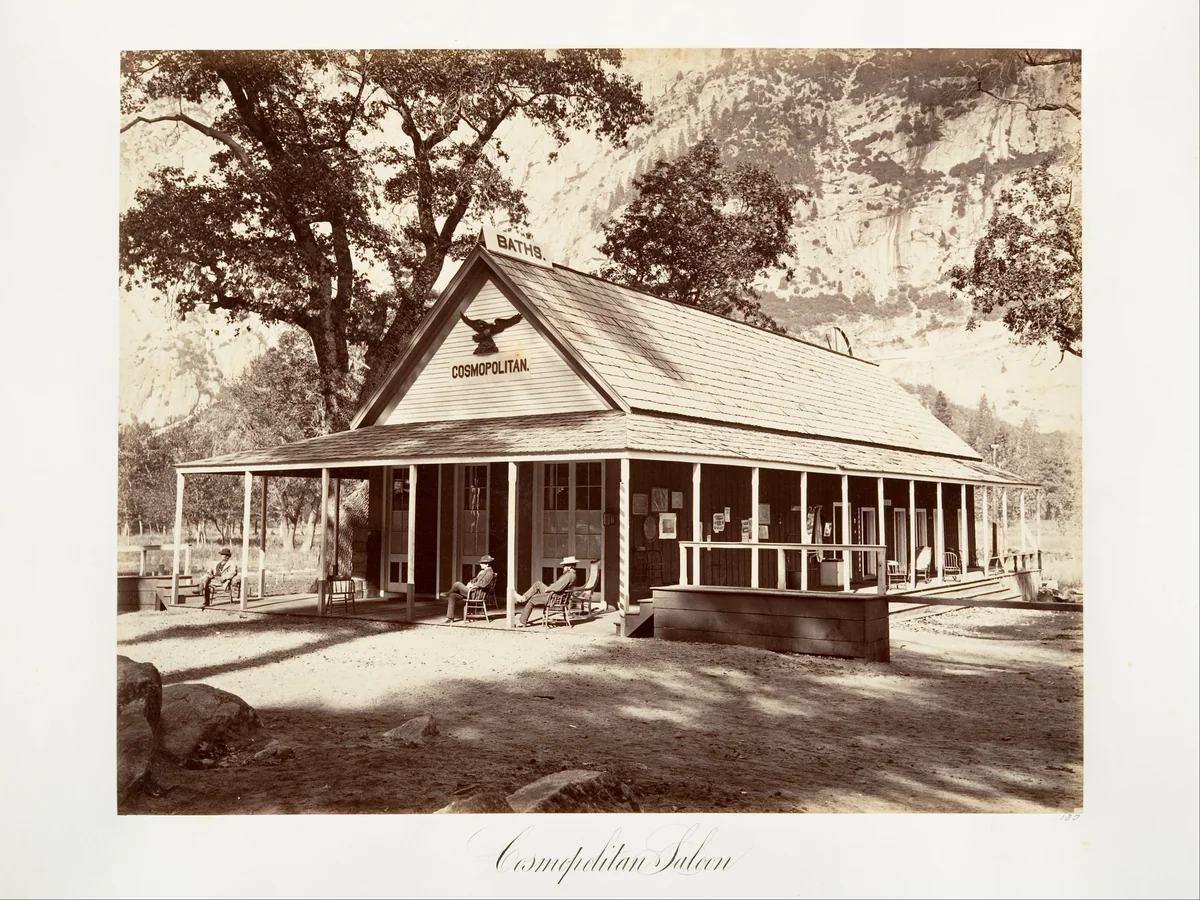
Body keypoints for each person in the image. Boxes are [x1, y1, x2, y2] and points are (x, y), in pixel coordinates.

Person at [514, 556, 577, 626]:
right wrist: (551, 587)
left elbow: (558, 587)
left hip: (554, 597)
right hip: (556, 595)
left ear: (570, 567)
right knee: (538, 584)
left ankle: (522, 621)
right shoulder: (571, 575)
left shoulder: (569, 576)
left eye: (565, 566)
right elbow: (558, 585)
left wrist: (548, 589)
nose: (563, 567)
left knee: (532, 600)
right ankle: (522, 598)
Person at [441, 554, 496, 622]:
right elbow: (474, 580)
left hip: (476, 594)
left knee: (457, 584)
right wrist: (476, 578)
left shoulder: (489, 573)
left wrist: (473, 585)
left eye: (482, 563)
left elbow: (483, 584)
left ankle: (448, 593)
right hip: (472, 592)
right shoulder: (484, 571)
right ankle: (450, 618)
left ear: (487, 564)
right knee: (452, 596)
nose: (480, 564)